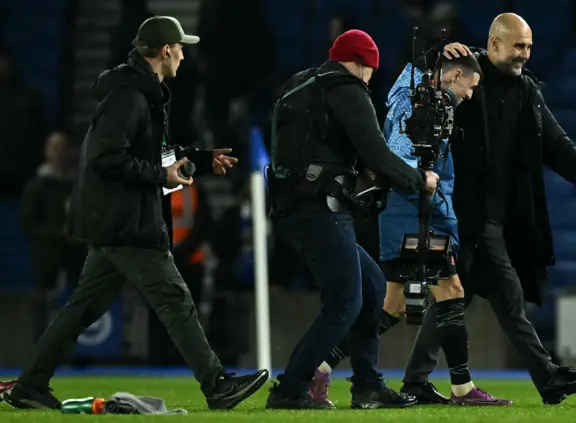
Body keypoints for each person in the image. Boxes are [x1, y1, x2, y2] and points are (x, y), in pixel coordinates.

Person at [1, 16, 268, 411]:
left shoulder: (142, 91)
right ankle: (216, 385)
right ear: (164, 51)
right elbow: (107, 159)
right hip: (125, 221)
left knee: (81, 310)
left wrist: (200, 160)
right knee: (175, 300)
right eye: (179, 47)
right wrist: (161, 174)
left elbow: (148, 154)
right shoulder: (130, 96)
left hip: (118, 219)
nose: (183, 53)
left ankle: (29, 386)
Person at [399, 13, 576, 405]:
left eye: (528, 47)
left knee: (457, 298)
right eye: (518, 46)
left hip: (496, 217)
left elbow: (555, 141)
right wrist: (434, 56)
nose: (525, 54)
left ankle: (415, 380)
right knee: (494, 300)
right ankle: (547, 378)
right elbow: (416, 90)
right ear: (494, 43)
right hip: (461, 214)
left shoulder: (527, 92)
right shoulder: (464, 71)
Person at [312, 54, 511, 407]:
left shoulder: (411, 96)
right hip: (416, 213)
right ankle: (463, 388)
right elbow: (401, 159)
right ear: (454, 75)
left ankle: (320, 367)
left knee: (392, 305)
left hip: (405, 214)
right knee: (451, 292)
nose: (469, 96)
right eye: (470, 87)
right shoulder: (421, 106)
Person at [265, 29, 437, 410]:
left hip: (293, 206)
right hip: (321, 209)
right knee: (345, 301)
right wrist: (417, 179)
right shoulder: (347, 88)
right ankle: (291, 388)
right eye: (371, 71)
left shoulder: (301, 83)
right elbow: (376, 152)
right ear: (363, 64)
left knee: (373, 288)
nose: (370, 80)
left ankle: (367, 386)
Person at [20, 131, 87, 341]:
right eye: (55, 147)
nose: (60, 152)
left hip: (73, 253)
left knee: (76, 300)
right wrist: (58, 235)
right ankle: (40, 348)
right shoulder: (36, 186)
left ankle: (74, 349)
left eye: (63, 147)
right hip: (47, 255)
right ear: (47, 151)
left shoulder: (75, 183)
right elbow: (28, 224)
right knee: (44, 302)